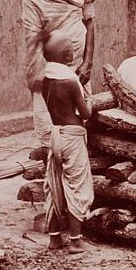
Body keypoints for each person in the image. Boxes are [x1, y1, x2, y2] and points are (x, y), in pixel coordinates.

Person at [21, 0, 99, 161]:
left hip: (79, 67)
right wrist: (46, 73)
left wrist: (88, 61)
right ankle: (53, 160)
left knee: (79, 124)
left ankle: (75, 160)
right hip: (51, 69)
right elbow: (33, 34)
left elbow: (90, 22)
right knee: (51, 124)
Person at [41, 30, 94, 254]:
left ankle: (54, 239)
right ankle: (75, 241)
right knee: (77, 186)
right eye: (71, 49)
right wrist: (90, 100)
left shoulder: (46, 80)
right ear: (66, 56)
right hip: (72, 136)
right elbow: (85, 113)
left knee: (54, 185)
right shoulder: (70, 81)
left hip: (56, 135)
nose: (73, 51)